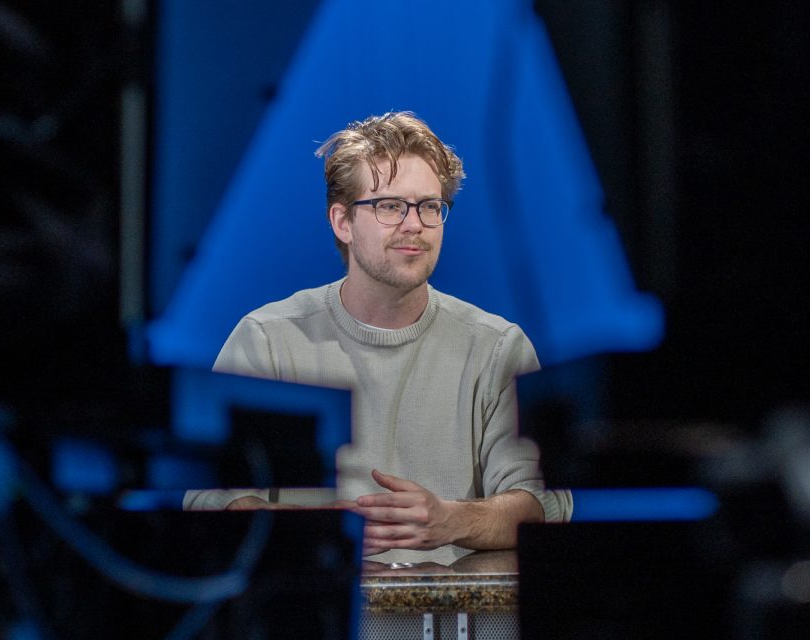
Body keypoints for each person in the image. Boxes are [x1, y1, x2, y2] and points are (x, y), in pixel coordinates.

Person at [184, 111, 571, 565]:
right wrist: (322, 533)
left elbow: (541, 503)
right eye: (390, 206)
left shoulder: (497, 348)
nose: (414, 225)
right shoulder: (267, 340)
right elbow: (208, 497)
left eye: (429, 206)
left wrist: (448, 520)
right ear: (342, 222)